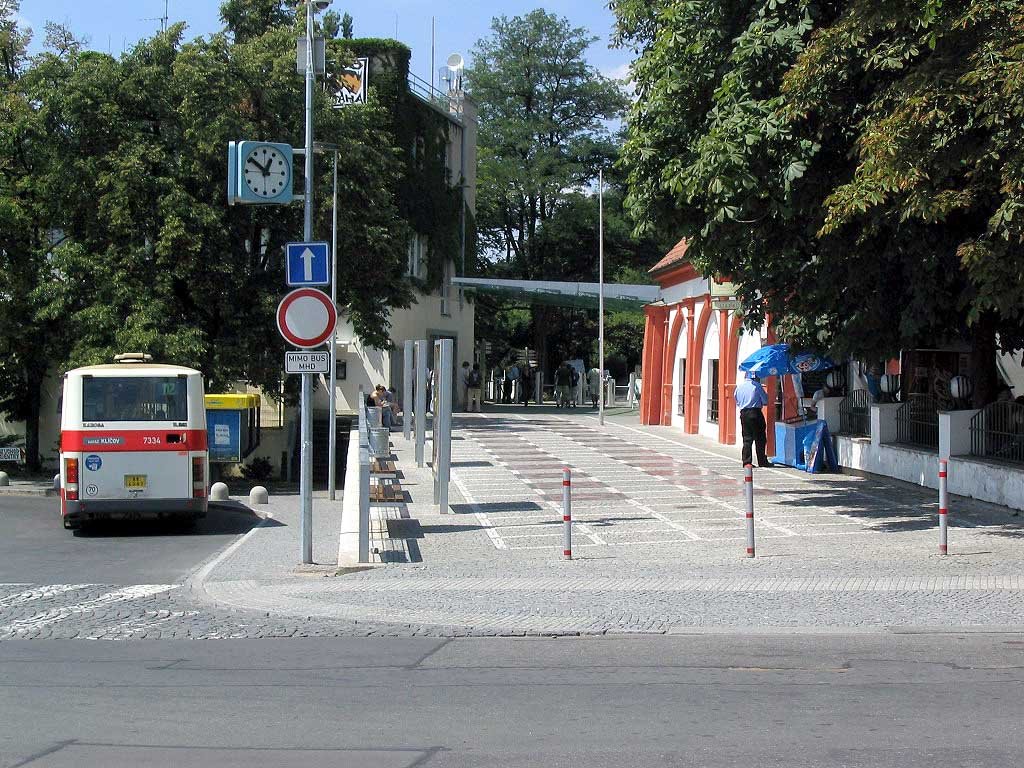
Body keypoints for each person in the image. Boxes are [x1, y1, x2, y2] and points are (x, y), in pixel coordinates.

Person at [735, 372, 771, 468]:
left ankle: (747, 462)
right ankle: (762, 461)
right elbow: (765, 401)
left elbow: (737, 401)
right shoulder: (757, 386)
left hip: (744, 413)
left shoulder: (739, 387)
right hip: (755, 412)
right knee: (760, 438)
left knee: (747, 439)